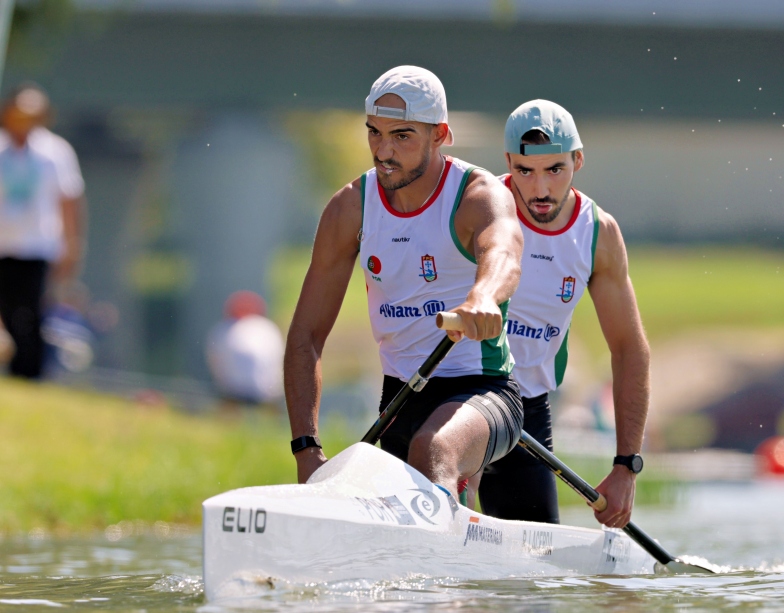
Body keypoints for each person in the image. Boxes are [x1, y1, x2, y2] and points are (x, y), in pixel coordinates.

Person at [284, 66, 524, 496]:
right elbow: (305, 336)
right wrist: (307, 449)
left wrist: (483, 297)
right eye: (374, 133)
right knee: (417, 458)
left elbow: (504, 254)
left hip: (484, 391)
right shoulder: (349, 209)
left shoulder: (478, 196)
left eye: (402, 136)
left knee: (434, 449)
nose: (383, 151)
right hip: (399, 400)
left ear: (440, 134)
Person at [473, 100, 650, 529]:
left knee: (534, 590)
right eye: (525, 171)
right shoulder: (477, 206)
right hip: (459, 395)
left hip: (526, 414)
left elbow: (629, 350)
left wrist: (626, 467)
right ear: (508, 163)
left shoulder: (598, 233)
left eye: (555, 170)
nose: (539, 190)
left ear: (578, 161)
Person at [0, 84, 85, 379]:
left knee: (29, 315)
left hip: (38, 246)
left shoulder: (55, 151)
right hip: (2, 243)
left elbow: (69, 201)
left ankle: (28, 374)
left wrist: (72, 245)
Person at [207, 290, 285, 404]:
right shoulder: (269, 328)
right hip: (268, 391)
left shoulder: (222, 329)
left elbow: (215, 362)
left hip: (235, 391)